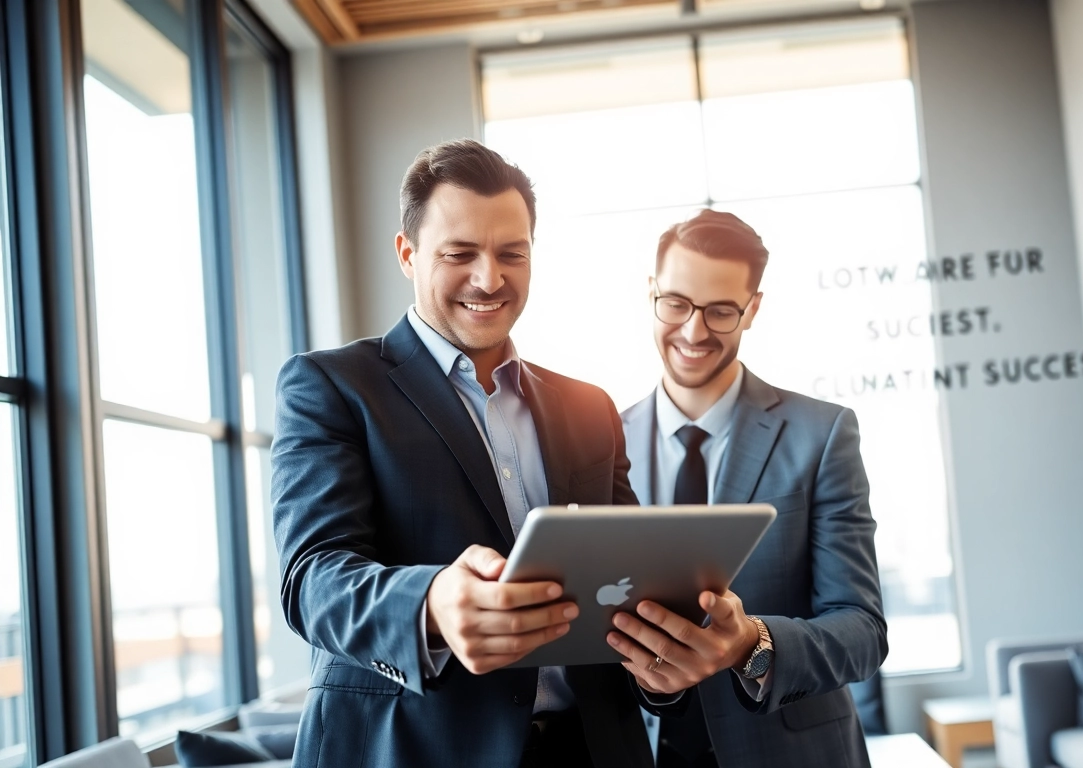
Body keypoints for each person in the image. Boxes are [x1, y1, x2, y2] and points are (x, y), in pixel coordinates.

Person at [271, 140, 654, 768]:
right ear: (407, 253)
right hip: (413, 749)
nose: (489, 278)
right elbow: (312, 577)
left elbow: (628, 575)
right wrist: (430, 605)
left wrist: (666, 650)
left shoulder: (590, 406)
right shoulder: (331, 386)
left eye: (512, 253)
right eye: (459, 254)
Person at [608, 210, 887, 767]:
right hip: (648, 749)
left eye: (720, 311)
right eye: (677, 304)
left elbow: (862, 628)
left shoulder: (821, 434)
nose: (693, 331)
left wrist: (750, 645)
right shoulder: (599, 442)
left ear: (752, 309)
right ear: (651, 294)